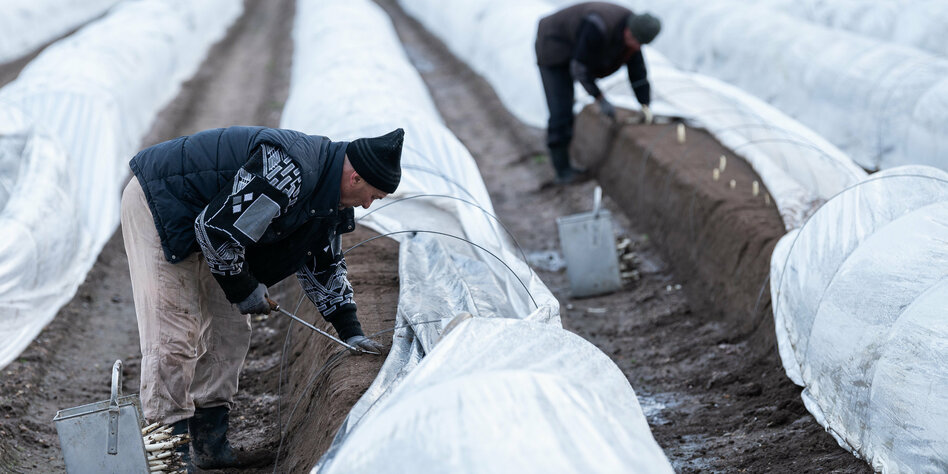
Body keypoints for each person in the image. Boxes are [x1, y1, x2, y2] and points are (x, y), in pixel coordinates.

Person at [121, 126, 403, 470]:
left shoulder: (332, 199)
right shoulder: (287, 170)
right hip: (162, 202)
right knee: (174, 335)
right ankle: (169, 456)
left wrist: (349, 328)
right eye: (372, 195)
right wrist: (244, 288)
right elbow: (216, 230)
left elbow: (323, 262)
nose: (367, 205)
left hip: (214, 224)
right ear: (356, 178)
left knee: (230, 330)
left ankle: (210, 442)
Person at [535, 2, 661, 183]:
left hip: (577, 45)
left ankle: (566, 167)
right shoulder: (597, 25)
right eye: (633, 39)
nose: (634, 45)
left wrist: (645, 104)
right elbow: (579, 68)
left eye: (639, 43)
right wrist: (600, 99)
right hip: (553, 45)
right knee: (561, 110)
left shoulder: (634, 35)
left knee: (566, 107)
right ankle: (562, 171)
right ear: (628, 29)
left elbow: (638, 72)